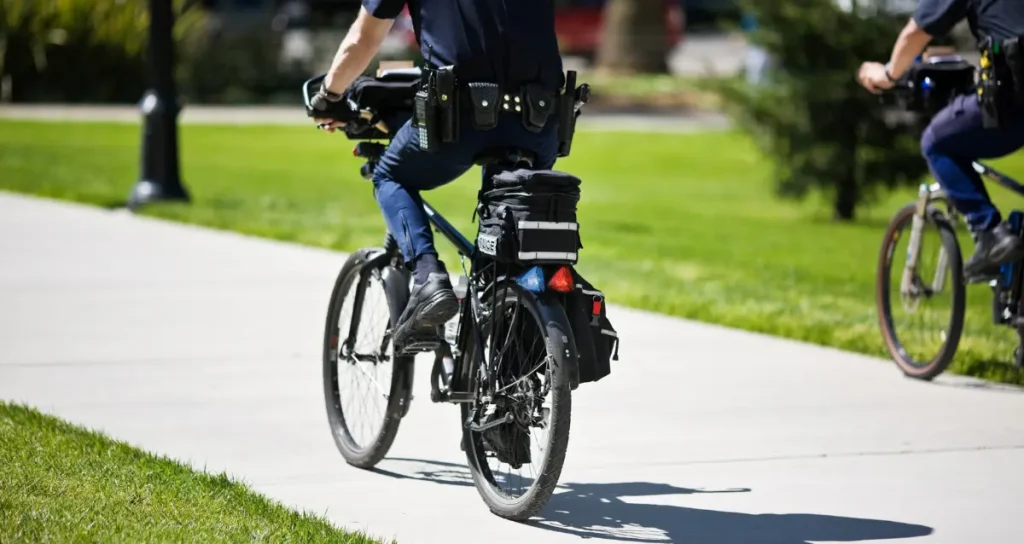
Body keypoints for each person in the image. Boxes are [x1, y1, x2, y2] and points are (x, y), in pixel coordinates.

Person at [309, 1, 565, 350]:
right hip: (539, 122)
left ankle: (428, 279)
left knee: (390, 177)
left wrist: (329, 96)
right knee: (504, 235)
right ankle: (511, 348)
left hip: (458, 120)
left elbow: (364, 40)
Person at [857, 0, 1024, 280]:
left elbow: (916, 33)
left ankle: (991, 235)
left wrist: (887, 74)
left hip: (1014, 104)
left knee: (937, 142)